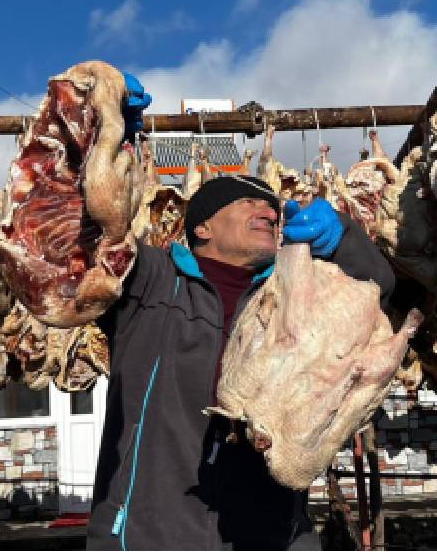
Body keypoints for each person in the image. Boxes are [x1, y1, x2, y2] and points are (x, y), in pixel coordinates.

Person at [85, 75, 400, 550]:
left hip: (270, 536)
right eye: (249, 201)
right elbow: (89, 235)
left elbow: (380, 291)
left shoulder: (290, 295)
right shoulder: (151, 282)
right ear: (204, 227)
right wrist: (104, 132)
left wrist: (346, 242)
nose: (269, 211)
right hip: (151, 535)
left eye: (272, 206)